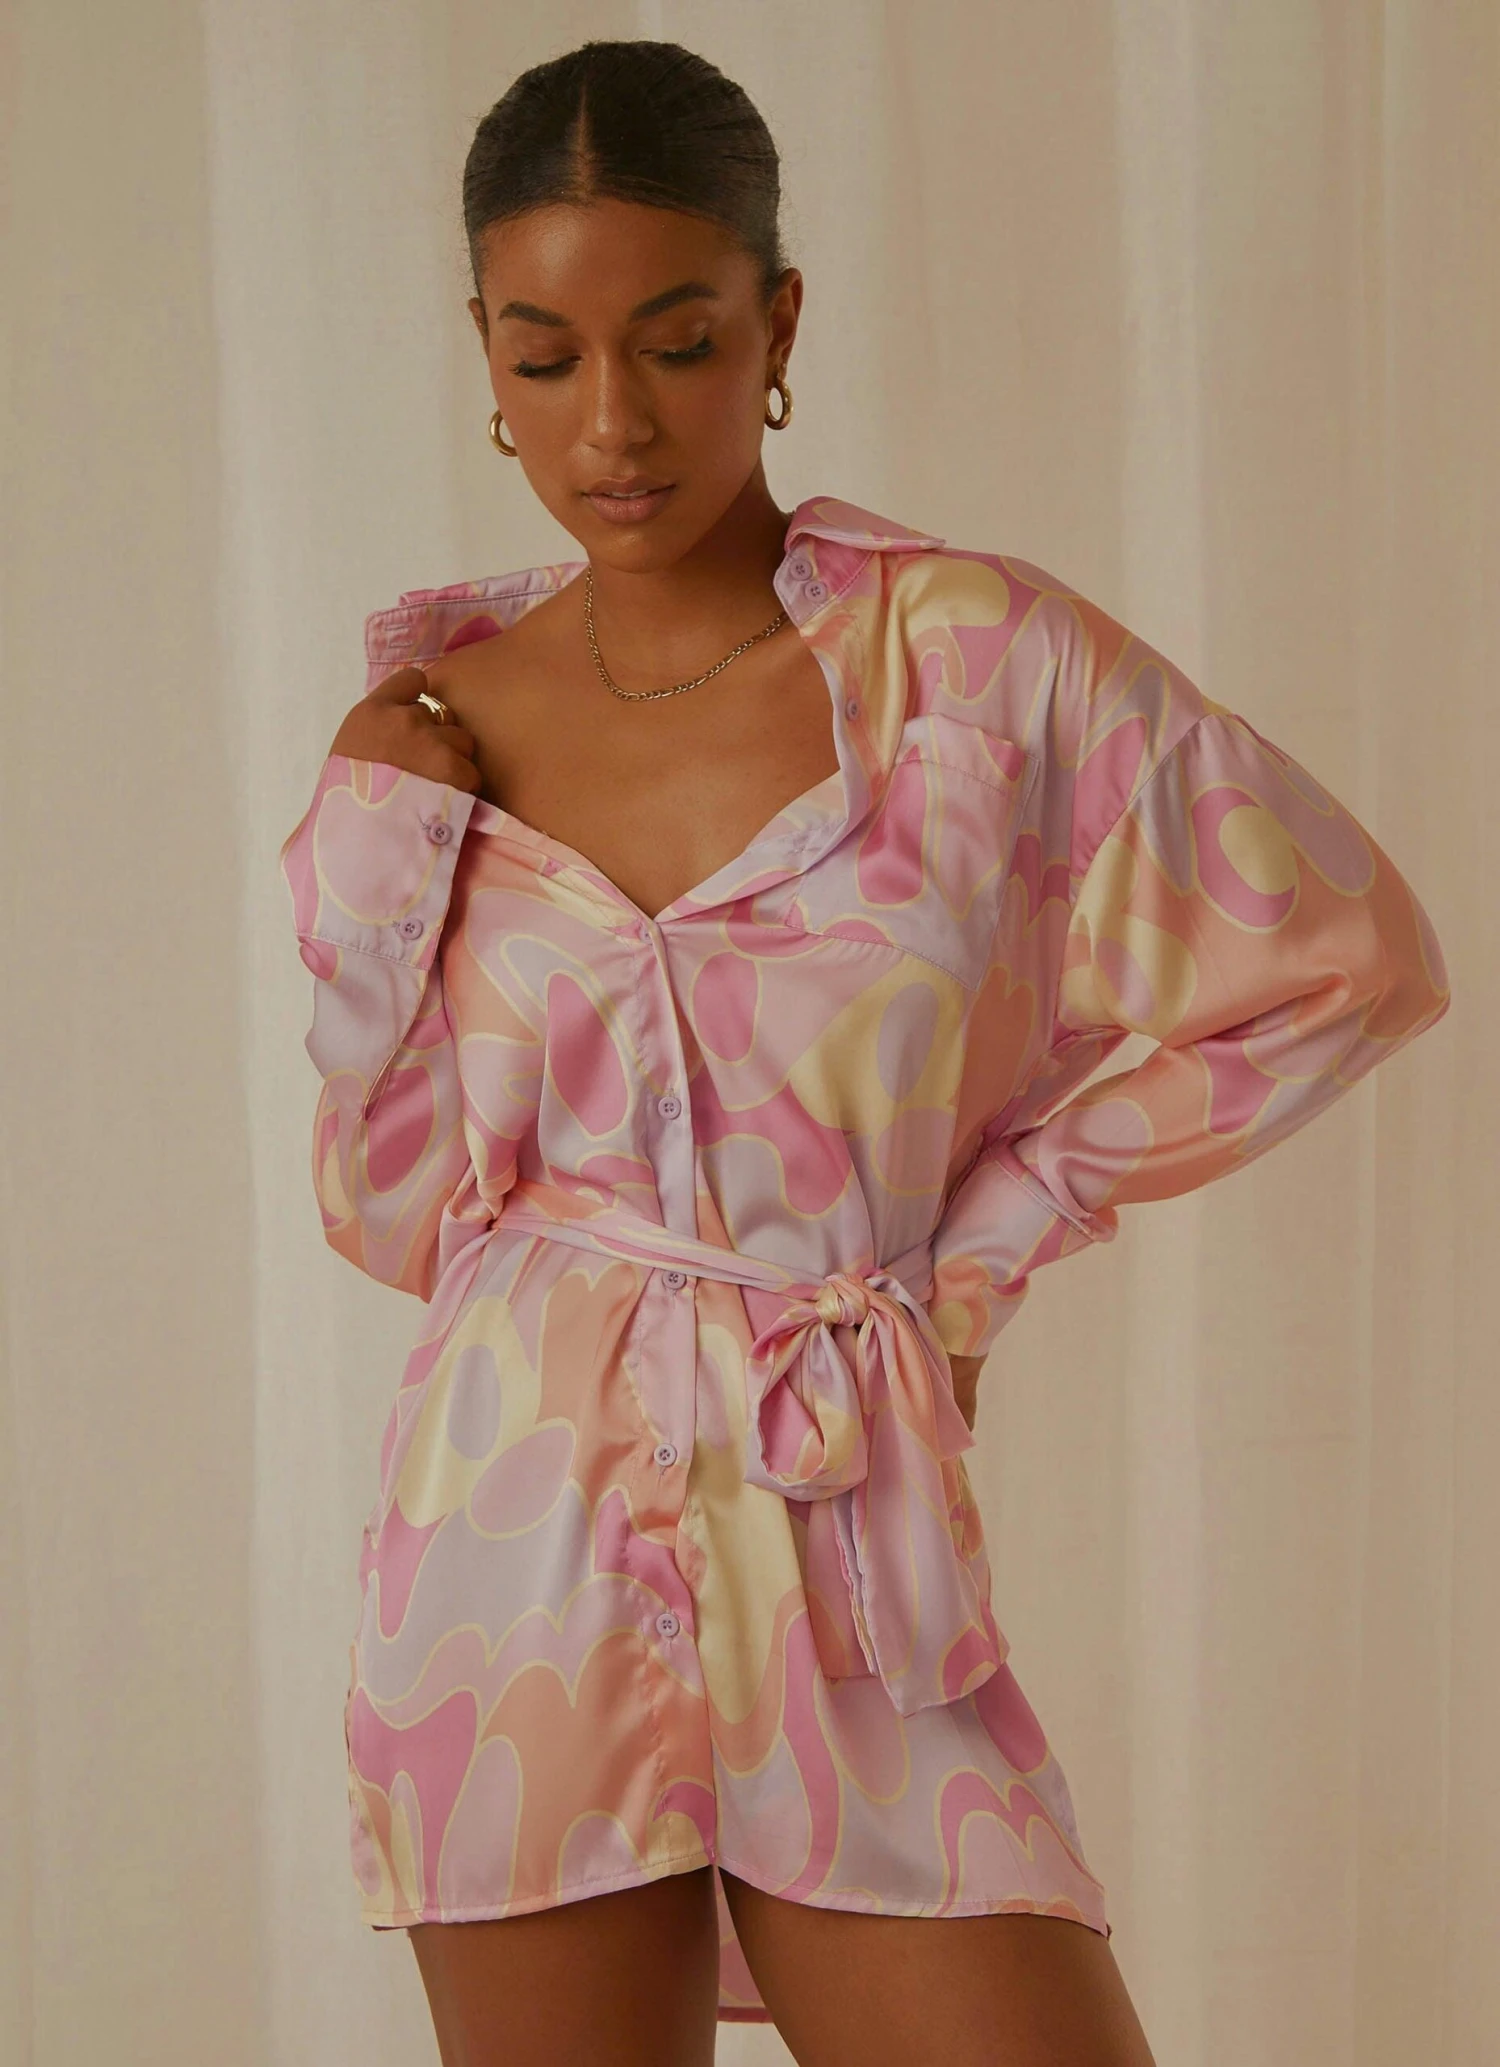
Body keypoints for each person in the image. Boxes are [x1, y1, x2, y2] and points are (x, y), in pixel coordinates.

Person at [278, 37, 1450, 2067]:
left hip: (844, 1543)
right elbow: (391, 1220)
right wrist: (373, 865)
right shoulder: (437, 721)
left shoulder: (978, 664)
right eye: (546, 357)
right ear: (486, 355)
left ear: (779, 326)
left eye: (679, 342)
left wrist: (988, 1237)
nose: (613, 422)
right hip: (511, 1555)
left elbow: (1347, 957)